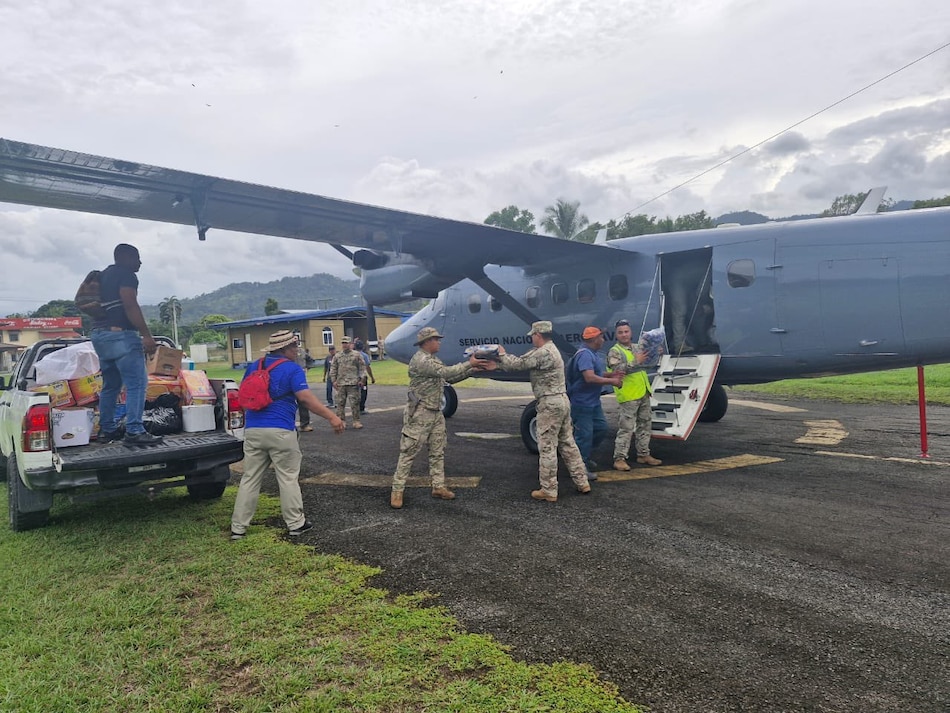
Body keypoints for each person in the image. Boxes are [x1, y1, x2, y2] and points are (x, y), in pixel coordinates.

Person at [230, 330, 345, 540]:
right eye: (294, 347)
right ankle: (295, 524)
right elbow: (306, 399)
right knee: (288, 478)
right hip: (281, 430)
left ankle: (238, 528)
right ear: (284, 349)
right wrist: (332, 417)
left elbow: (244, 394)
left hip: (254, 430)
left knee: (250, 479)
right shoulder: (292, 369)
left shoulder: (254, 366)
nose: (297, 350)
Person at [390, 327, 494, 509]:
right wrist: (469, 364)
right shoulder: (422, 360)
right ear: (427, 342)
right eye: (436, 339)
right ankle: (397, 490)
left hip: (435, 412)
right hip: (420, 412)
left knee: (438, 451)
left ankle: (438, 486)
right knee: (408, 452)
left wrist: (473, 370)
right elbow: (447, 373)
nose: (439, 342)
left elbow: (448, 379)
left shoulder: (433, 360)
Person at [496, 321, 591, 502]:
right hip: (562, 400)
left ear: (538, 335)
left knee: (547, 446)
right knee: (568, 444)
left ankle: (549, 489)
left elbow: (518, 364)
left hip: (549, 403)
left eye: (532, 335)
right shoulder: (549, 350)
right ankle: (582, 482)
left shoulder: (543, 353)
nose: (531, 338)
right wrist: (499, 363)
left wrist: (501, 354)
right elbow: (523, 360)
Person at [91, 243, 163, 446]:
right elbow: (130, 303)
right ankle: (134, 431)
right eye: (136, 257)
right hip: (121, 336)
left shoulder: (103, 275)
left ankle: (107, 430)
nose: (140, 262)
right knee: (137, 383)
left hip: (99, 336)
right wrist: (146, 336)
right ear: (124, 257)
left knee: (110, 385)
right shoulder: (127, 275)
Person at [567, 326, 624, 479]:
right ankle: (579, 466)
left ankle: (581, 457)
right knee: (584, 435)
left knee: (601, 429)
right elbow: (589, 377)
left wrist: (611, 374)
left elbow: (596, 373)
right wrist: (612, 381)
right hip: (582, 403)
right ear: (594, 340)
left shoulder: (592, 354)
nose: (603, 340)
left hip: (592, 402)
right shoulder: (585, 355)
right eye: (601, 337)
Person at [607, 319, 662, 470]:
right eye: (620, 332)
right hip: (629, 394)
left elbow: (648, 364)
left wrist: (655, 354)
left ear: (631, 333)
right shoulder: (615, 351)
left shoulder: (637, 348)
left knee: (645, 424)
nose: (624, 335)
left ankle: (643, 454)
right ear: (616, 335)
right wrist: (636, 361)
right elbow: (618, 369)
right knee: (626, 428)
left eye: (626, 331)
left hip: (643, 391)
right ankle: (619, 458)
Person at [329, 336, 366, 429]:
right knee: (340, 404)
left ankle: (356, 421)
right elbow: (333, 368)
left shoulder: (356, 355)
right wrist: (333, 380)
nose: (344, 345)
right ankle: (341, 421)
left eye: (346, 343)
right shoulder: (337, 356)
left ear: (350, 344)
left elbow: (362, 368)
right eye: (343, 343)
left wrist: (362, 379)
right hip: (340, 383)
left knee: (355, 403)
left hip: (353, 383)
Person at [294, 340, 313, 432]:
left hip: (301, 379)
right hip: (290, 378)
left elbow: (310, 360)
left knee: (303, 402)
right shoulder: (287, 352)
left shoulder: (302, 351)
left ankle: (304, 424)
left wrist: (307, 367)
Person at [355, 340, 375, 413]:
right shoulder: (365, 356)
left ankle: (355, 407)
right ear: (362, 347)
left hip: (353, 377)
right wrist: (372, 377)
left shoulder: (352, 355)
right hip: (362, 377)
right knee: (363, 392)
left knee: (355, 392)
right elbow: (368, 367)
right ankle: (361, 408)